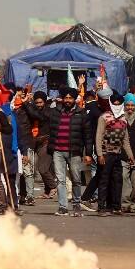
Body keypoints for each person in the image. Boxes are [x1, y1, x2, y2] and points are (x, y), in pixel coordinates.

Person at [42, 87, 88, 216]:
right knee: (60, 180)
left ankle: (76, 204)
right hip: (58, 151)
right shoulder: (55, 112)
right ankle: (63, 206)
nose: (68, 100)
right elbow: (41, 113)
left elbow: (87, 134)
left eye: (70, 98)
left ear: (74, 99)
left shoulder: (81, 113)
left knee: (76, 179)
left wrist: (88, 153)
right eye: (66, 98)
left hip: (74, 151)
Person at [92, 92, 135, 216]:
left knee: (117, 181)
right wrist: (100, 154)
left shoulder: (123, 119)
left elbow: (125, 139)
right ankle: (101, 207)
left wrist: (130, 155)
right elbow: (98, 136)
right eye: (114, 104)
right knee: (104, 181)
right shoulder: (104, 117)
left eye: (119, 104)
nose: (116, 106)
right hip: (106, 154)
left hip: (118, 154)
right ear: (110, 104)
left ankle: (116, 207)